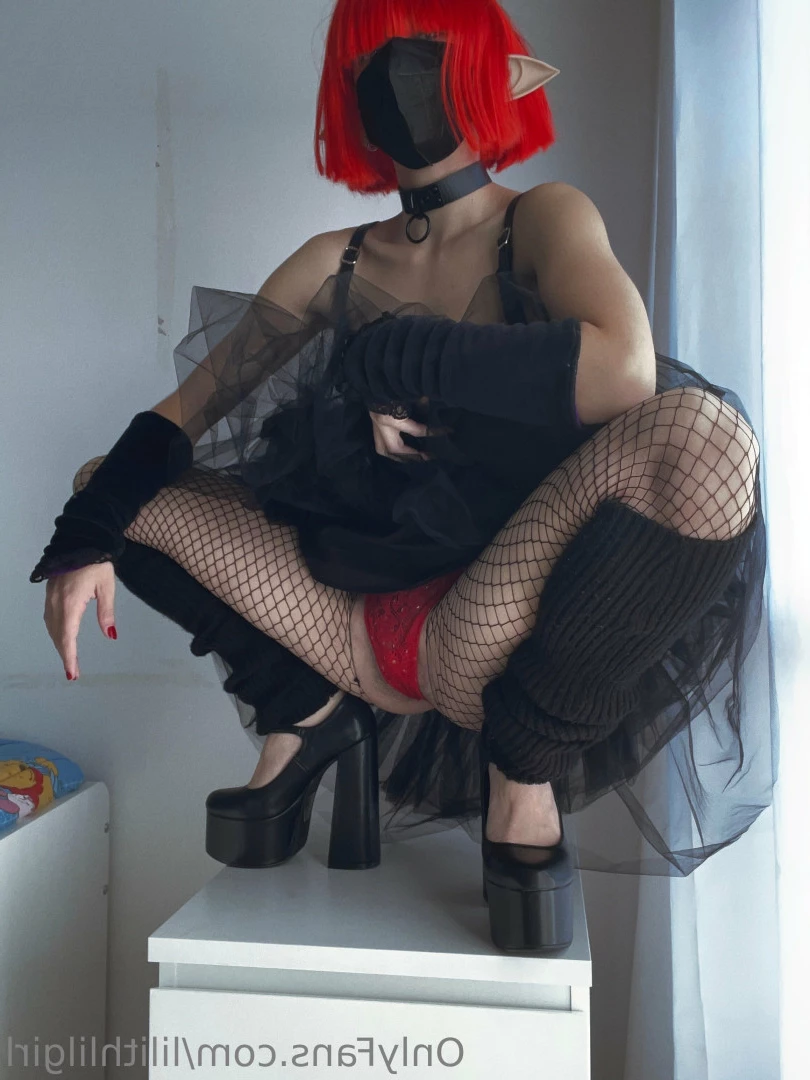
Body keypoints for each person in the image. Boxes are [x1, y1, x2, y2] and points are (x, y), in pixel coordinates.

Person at [29, 0, 769, 952]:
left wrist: (396, 356)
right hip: (349, 624)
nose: (392, 74)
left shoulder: (543, 218)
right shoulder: (330, 262)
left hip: (495, 627)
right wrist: (81, 543)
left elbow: (623, 371)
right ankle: (306, 709)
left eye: (417, 50)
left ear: (496, 71)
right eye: (367, 57)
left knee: (709, 443)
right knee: (108, 489)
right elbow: (176, 423)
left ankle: (523, 766)